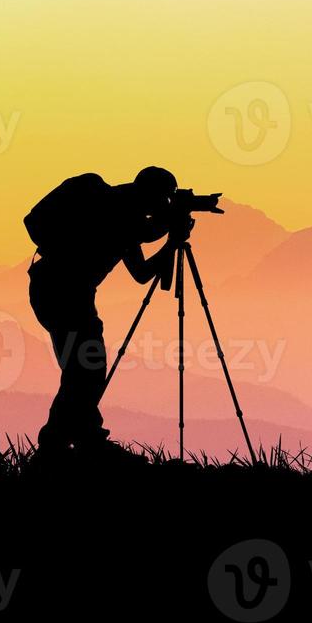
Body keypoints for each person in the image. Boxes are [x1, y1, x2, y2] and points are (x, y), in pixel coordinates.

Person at [23, 166, 193, 461]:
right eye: (162, 200)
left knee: (81, 369)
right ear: (149, 196)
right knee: (85, 368)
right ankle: (58, 446)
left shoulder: (121, 212)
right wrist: (172, 236)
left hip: (54, 290)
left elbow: (141, 270)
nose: (162, 207)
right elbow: (142, 245)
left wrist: (170, 237)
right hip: (64, 294)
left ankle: (82, 439)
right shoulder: (116, 211)